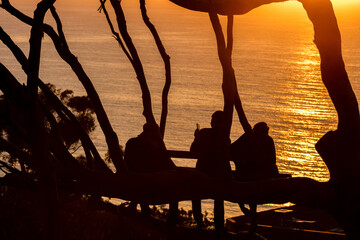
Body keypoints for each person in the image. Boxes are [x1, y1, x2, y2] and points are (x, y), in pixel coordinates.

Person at [124, 122, 178, 223]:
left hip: (136, 180)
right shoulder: (150, 146)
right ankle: (171, 221)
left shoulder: (132, 142)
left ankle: (146, 213)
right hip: (149, 182)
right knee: (175, 191)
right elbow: (168, 165)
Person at [190, 110, 232, 230]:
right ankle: (219, 225)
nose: (211, 122)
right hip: (218, 174)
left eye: (212, 119)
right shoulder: (225, 136)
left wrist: (196, 137)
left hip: (202, 172)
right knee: (219, 199)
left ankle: (199, 222)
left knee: (195, 195)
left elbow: (193, 150)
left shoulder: (203, 133)